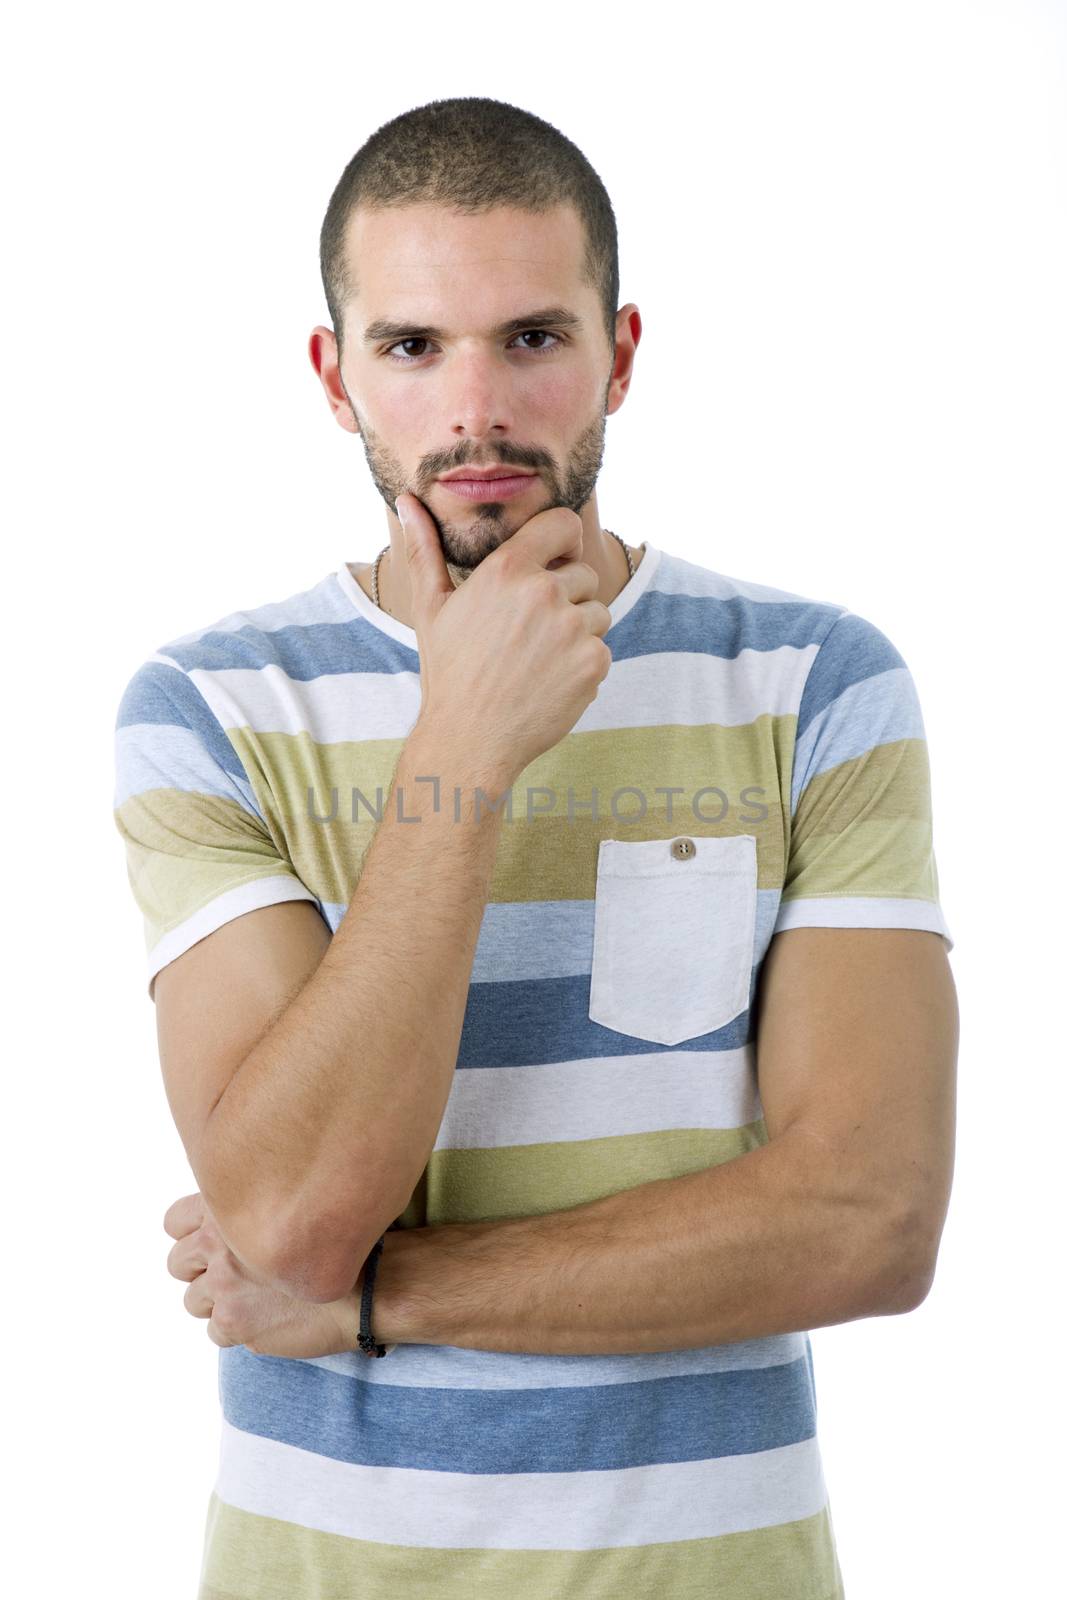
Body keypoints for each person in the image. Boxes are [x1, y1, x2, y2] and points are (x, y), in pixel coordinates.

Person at [112, 95, 959, 1600]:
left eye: (532, 339)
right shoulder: (215, 707)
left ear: (619, 354)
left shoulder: (818, 680)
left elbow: (870, 1219)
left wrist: (382, 1298)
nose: (476, 412)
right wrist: (463, 751)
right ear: (337, 375)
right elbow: (294, 1209)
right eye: (413, 347)